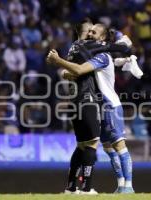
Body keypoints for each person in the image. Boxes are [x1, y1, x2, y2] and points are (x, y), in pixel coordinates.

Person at [47, 23, 136, 193]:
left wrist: (59, 62)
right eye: (89, 31)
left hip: (110, 105)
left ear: (102, 38)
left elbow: (80, 69)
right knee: (106, 147)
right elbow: (75, 71)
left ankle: (128, 186)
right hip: (97, 105)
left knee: (118, 146)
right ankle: (119, 185)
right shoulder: (92, 53)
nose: (90, 34)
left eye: (94, 32)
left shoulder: (101, 56)